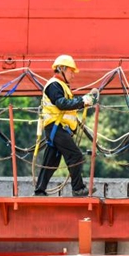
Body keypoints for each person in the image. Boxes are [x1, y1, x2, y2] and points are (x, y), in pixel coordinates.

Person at [34, 54, 99, 197]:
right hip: (57, 128)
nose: (73, 75)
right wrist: (83, 101)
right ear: (61, 69)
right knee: (75, 155)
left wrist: (83, 101)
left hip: (58, 129)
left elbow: (66, 105)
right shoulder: (53, 85)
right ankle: (78, 188)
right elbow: (61, 104)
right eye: (71, 72)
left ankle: (39, 190)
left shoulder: (61, 86)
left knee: (51, 161)